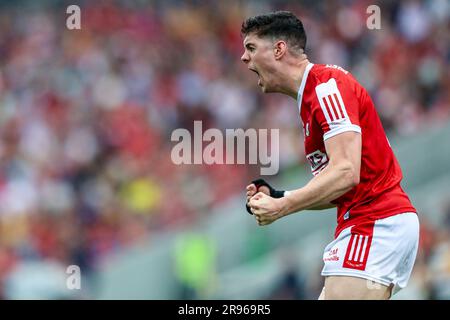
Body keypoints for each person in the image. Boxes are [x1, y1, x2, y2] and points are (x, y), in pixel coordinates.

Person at [242, 11, 419, 300]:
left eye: (251, 48)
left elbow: (346, 173)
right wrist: (281, 195)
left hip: (375, 222)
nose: (244, 58)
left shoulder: (326, 88)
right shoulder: (310, 98)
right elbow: (339, 186)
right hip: (371, 222)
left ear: (278, 49)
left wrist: (284, 206)